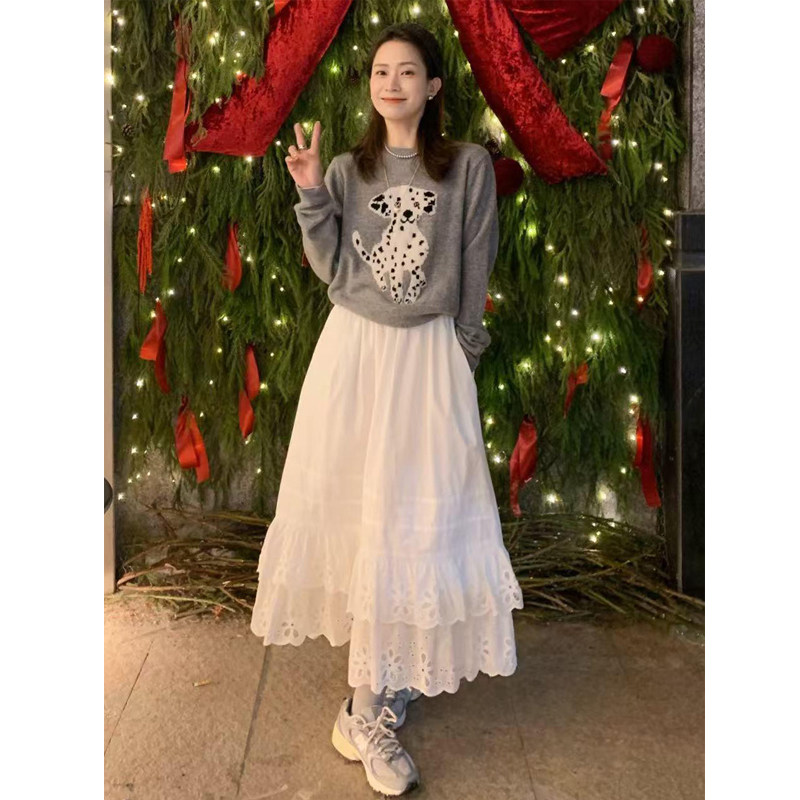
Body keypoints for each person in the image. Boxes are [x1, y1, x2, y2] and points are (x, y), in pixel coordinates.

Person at [250, 22, 524, 797]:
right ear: (370, 86)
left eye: (407, 71)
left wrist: (461, 352)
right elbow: (332, 268)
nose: (391, 82)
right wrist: (311, 190)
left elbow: (476, 261)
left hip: (428, 355)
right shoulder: (348, 168)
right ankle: (364, 708)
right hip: (357, 354)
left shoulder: (467, 167)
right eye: (379, 71)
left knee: (415, 514)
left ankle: (380, 684)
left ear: (432, 87)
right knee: (367, 515)